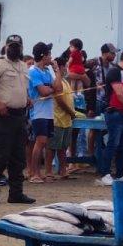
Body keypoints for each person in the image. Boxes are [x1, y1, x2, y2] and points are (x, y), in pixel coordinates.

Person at [0, 34, 35, 205]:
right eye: (12, 46)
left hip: (19, 116)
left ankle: (16, 193)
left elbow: (20, 87)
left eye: (18, 46)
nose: (15, 49)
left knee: (18, 157)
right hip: (2, 116)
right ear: (6, 47)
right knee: (0, 156)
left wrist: (26, 99)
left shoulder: (24, 66)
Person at [99, 49, 123, 186]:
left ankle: (120, 173)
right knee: (113, 144)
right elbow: (119, 93)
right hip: (115, 113)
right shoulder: (115, 72)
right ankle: (105, 173)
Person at [26, 42, 57, 184]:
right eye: (49, 54)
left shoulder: (46, 71)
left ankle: (39, 171)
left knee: (45, 142)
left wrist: (56, 70)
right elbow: (43, 91)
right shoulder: (33, 71)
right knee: (40, 141)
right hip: (38, 112)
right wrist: (51, 88)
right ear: (43, 56)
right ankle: (34, 172)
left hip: (48, 111)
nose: (51, 56)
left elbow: (58, 87)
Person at [48, 50, 79, 181]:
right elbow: (59, 100)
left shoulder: (65, 81)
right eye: (65, 67)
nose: (66, 69)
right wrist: (71, 112)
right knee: (52, 147)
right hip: (58, 118)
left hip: (66, 120)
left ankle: (63, 170)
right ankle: (49, 171)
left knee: (63, 147)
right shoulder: (56, 80)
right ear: (59, 67)